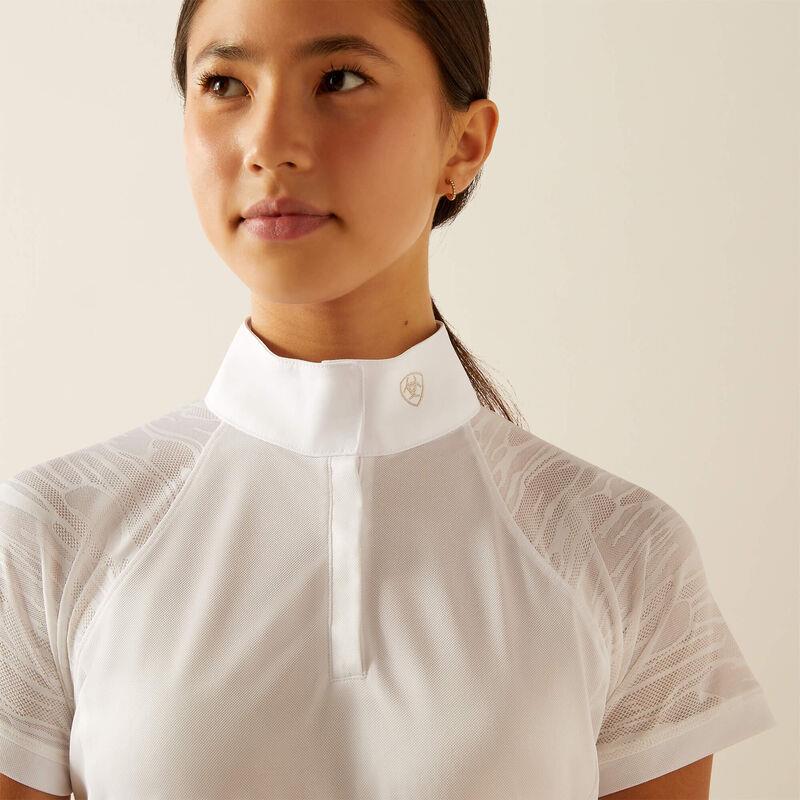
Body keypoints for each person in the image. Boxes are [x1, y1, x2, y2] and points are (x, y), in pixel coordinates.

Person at [0, 1, 776, 799]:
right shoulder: (52, 538)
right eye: (225, 84)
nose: (269, 145)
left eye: (339, 79)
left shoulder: (620, 551)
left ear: (463, 145)